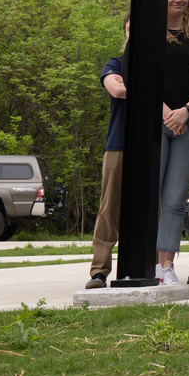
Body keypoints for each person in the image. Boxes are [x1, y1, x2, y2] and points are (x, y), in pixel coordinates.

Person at [147, 0, 189, 286]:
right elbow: (140, 79)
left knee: (174, 200)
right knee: (148, 198)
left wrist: (187, 111)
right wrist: (166, 113)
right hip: (155, 124)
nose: (178, 0)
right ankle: (142, 264)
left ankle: (166, 267)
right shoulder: (148, 34)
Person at [85, 15, 132, 288]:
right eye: (129, 29)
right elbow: (118, 90)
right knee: (108, 208)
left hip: (156, 145)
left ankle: (150, 265)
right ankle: (99, 271)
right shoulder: (114, 64)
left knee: (155, 209)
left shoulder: (161, 64)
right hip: (118, 145)